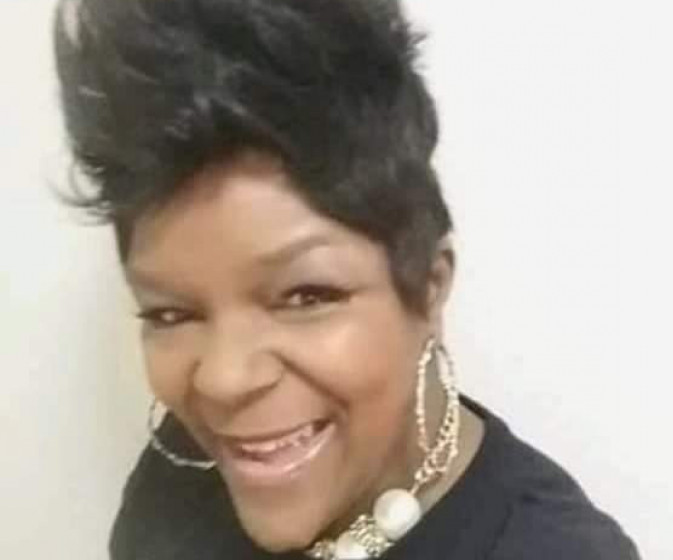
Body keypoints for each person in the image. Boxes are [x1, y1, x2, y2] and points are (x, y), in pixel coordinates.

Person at [53, 0, 640, 558]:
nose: (224, 380)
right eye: (170, 313)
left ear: (429, 287)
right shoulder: (179, 484)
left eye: (305, 296)